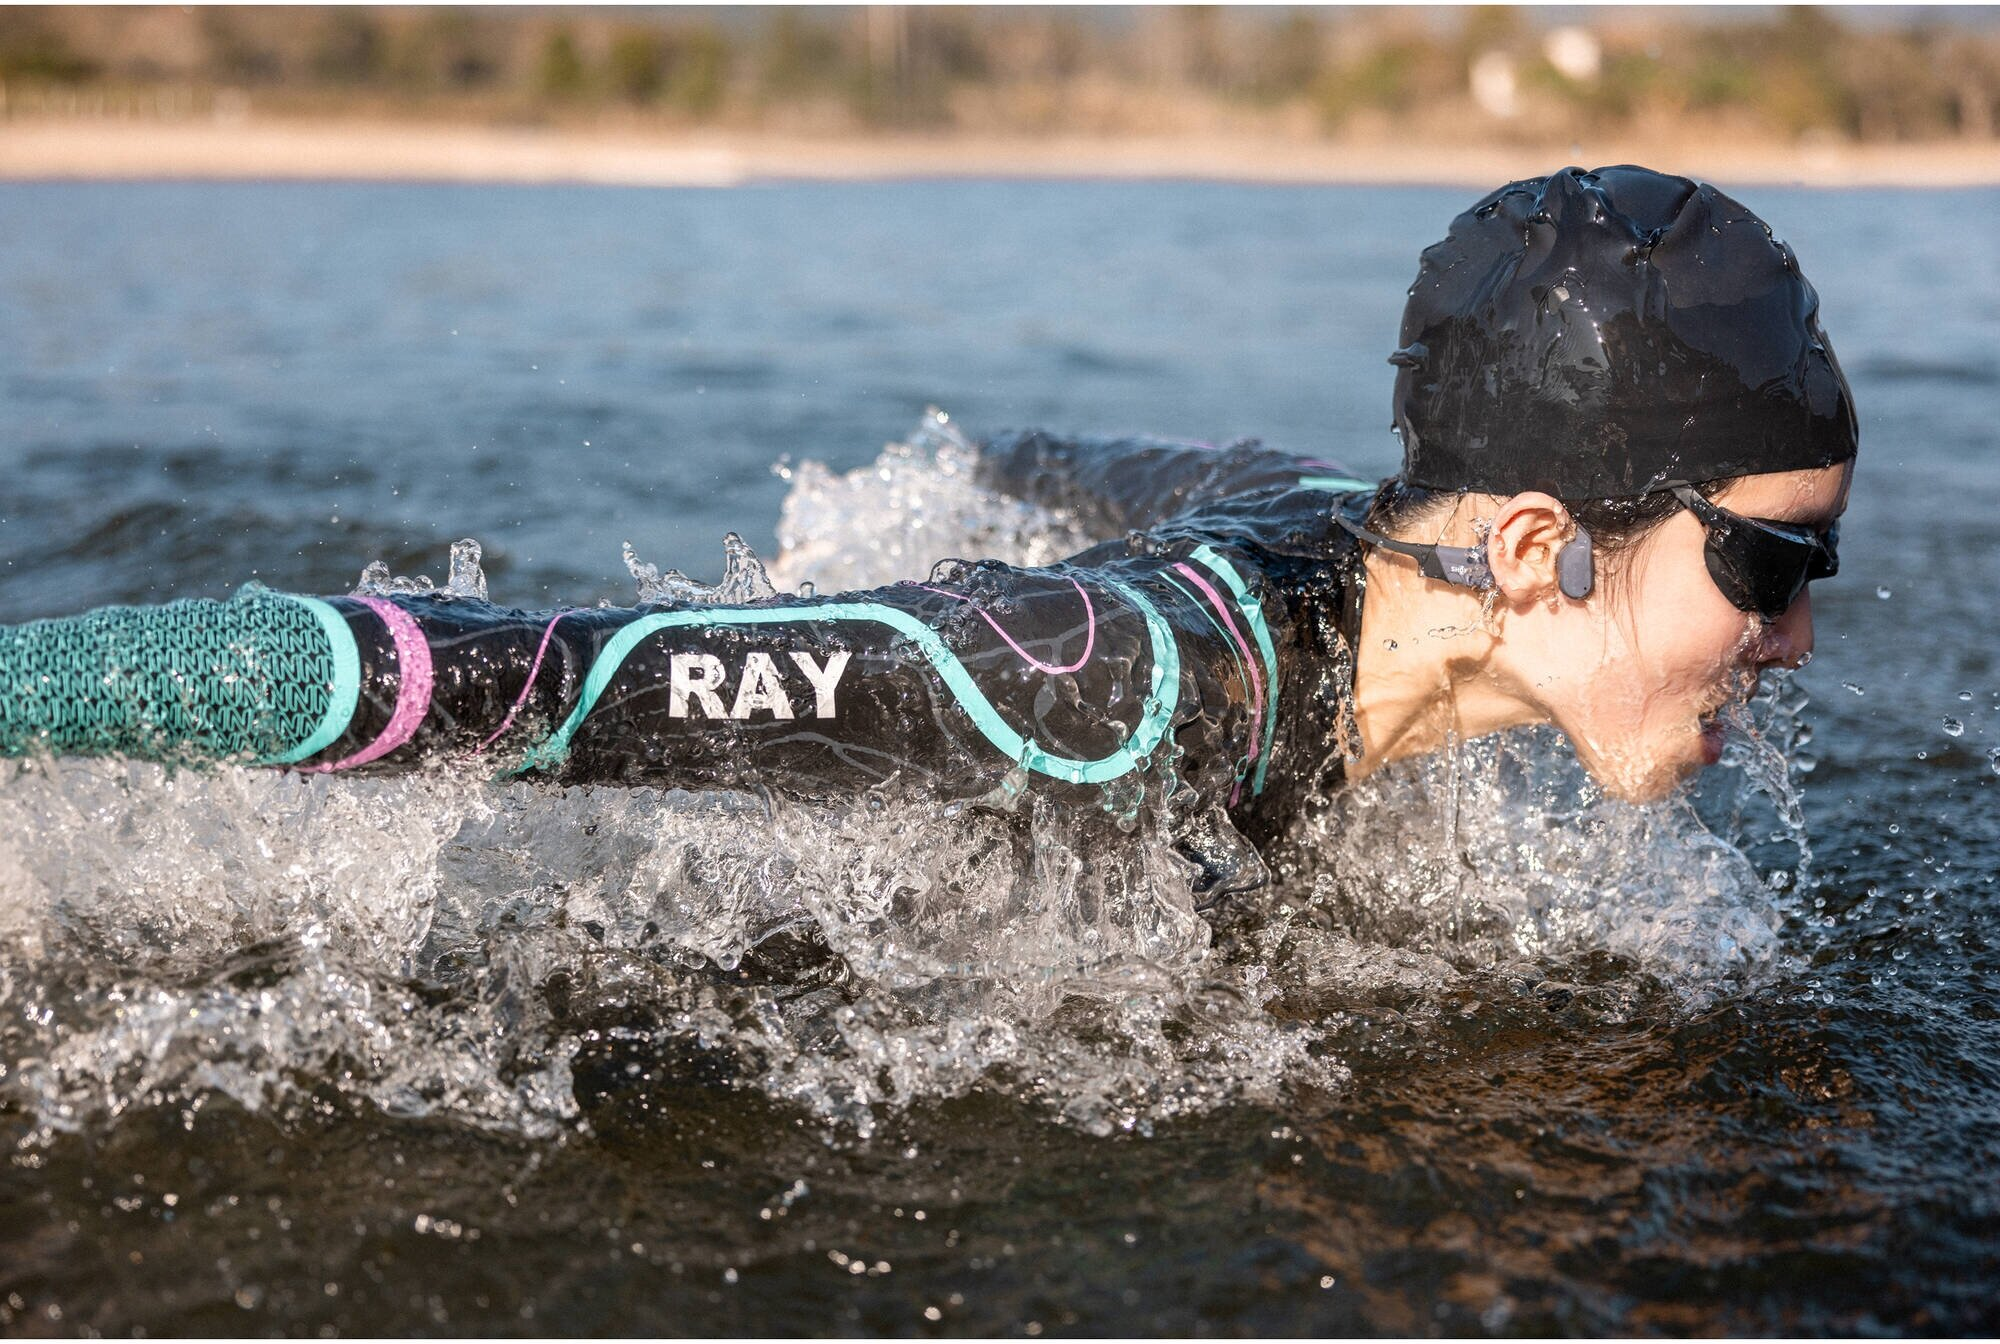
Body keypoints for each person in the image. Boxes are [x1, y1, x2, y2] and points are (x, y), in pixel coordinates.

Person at [0, 165, 1855, 898]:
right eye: (1770, 568)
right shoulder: (1104, 696)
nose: (1791, 639)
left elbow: (1110, 457)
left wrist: (1016, 450)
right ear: (1538, 549)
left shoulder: (1330, 523)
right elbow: (534, 675)